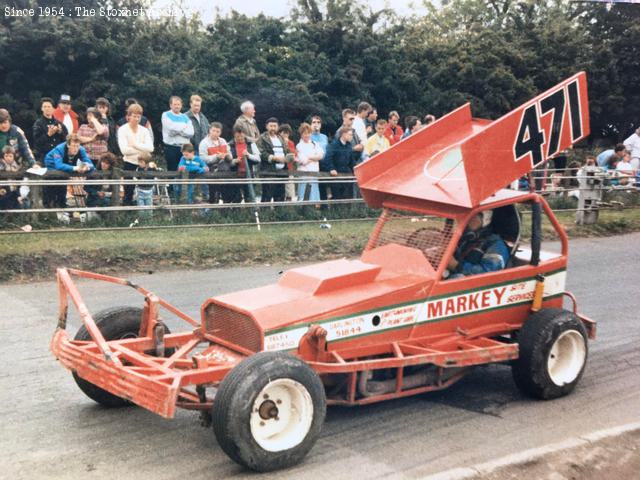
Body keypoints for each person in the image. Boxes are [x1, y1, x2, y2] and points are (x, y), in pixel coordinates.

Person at [447, 210, 509, 278]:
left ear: (485, 219)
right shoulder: (466, 238)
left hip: (476, 286)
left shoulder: (496, 244)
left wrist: (456, 265)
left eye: (472, 217)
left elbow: (488, 275)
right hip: (454, 276)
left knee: (457, 277)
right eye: (464, 216)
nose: (466, 220)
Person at [44, 134, 95, 207]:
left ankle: (62, 205)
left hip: (67, 164)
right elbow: (59, 165)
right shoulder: (58, 149)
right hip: (52, 165)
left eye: (77, 146)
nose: (76, 149)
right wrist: (76, 168)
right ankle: (48, 207)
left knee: (63, 186)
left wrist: (86, 167)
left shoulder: (81, 149)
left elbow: (91, 165)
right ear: (68, 145)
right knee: (52, 187)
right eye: (73, 146)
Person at [117, 103, 154, 205]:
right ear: (128, 116)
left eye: (139, 116)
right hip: (129, 163)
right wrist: (142, 149)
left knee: (145, 190)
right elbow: (124, 150)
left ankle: (144, 212)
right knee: (128, 191)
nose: (137, 119)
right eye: (134, 116)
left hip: (143, 165)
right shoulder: (122, 129)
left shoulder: (145, 130)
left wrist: (134, 144)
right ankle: (127, 212)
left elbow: (150, 148)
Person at [257, 117, 292, 203]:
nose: (273, 128)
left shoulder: (281, 138)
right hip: (268, 171)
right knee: (267, 195)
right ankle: (265, 214)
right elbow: (260, 152)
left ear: (278, 127)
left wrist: (289, 156)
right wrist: (274, 158)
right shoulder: (262, 138)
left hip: (282, 171)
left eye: (275, 126)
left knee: (280, 195)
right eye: (271, 126)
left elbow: (287, 151)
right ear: (266, 126)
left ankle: (279, 214)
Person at [199, 122, 232, 203]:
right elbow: (203, 159)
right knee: (213, 191)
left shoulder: (223, 141)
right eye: (213, 131)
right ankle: (213, 207)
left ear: (220, 132)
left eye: (217, 131)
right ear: (209, 130)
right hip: (211, 169)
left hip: (225, 169)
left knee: (226, 190)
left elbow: (229, 154)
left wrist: (228, 156)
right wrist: (216, 157)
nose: (215, 133)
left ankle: (226, 207)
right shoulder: (204, 143)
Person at [226, 127, 261, 203]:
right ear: (234, 135)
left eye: (242, 136)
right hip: (235, 175)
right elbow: (228, 162)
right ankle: (238, 213)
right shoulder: (229, 145)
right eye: (237, 136)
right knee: (236, 198)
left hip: (249, 174)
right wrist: (234, 161)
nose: (240, 138)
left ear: (245, 135)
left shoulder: (251, 144)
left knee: (249, 197)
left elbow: (258, 158)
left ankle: (249, 213)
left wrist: (248, 155)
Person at [162, 96, 194, 173]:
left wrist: (177, 130)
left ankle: (182, 186)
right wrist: (184, 127)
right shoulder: (166, 115)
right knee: (172, 171)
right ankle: (172, 186)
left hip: (184, 148)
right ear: (170, 105)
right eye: (175, 104)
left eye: (178, 104)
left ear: (181, 105)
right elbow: (171, 129)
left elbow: (191, 132)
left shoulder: (185, 117)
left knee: (184, 171)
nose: (177, 106)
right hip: (171, 148)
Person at [323, 126, 356, 200]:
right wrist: (331, 168)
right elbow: (328, 158)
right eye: (350, 134)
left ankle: (347, 210)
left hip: (347, 174)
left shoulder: (349, 146)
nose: (352, 136)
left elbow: (352, 161)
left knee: (348, 196)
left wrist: (355, 170)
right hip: (336, 174)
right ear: (344, 134)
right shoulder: (334, 145)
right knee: (337, 197)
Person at [32, 97, 68, 163]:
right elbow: (37, 142)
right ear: (41, 108)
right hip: (43, 156)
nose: (47, 109)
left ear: (53, 109)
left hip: (58, 156)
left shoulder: (59, 123)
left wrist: (60, 132)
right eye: (44, 107)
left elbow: (66, 140)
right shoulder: (38, 124)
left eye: (49, 106)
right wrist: (48, 135)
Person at [296, 122, 323, 202]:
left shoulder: (315, 144)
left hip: (314, 173)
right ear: (301, 134)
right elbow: (303, 161)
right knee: (303, 194)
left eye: (308, 133)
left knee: (314, 194)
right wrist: (314, 158)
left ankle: (314, 211)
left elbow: (320, 156)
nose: (307, 135)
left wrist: (309, 157)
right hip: (304, 174)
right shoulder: (299, 146)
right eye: (305, 133)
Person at [278, 123, 297, 201]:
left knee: (289, 189)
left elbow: (294, 154)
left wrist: (287, 145)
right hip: (280, 168)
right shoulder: (277, 141)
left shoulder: (291, 143)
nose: (285, 135)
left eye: (287, 133)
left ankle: (289, 207)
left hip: (289, 169)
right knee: (280, 189)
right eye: (283, 133)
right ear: (280, 133)